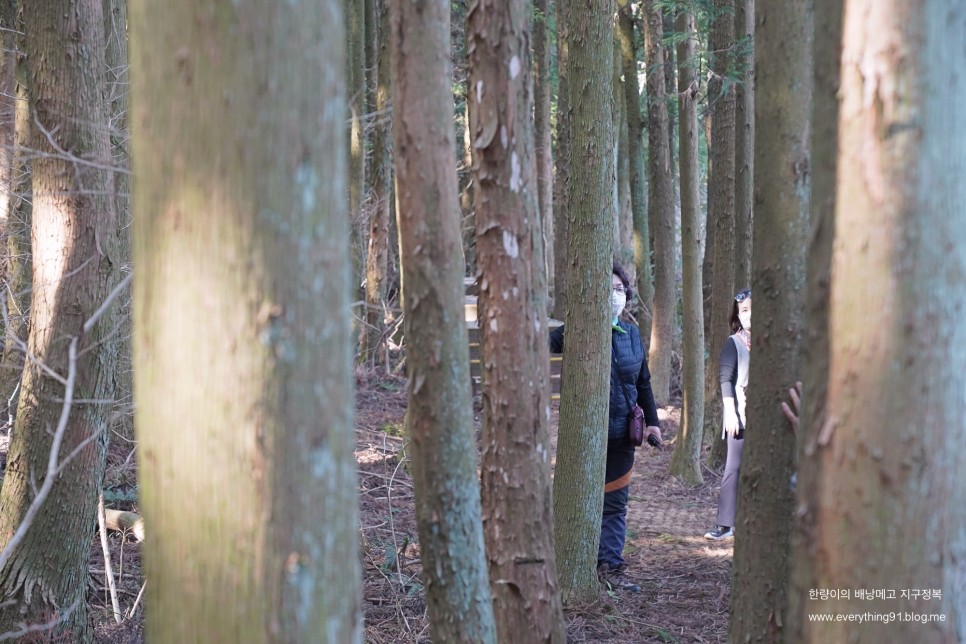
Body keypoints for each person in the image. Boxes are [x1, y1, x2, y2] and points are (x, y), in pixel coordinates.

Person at [550, 261, 662, 592]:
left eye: (619, 290)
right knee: (580, 502)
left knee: (614, 505)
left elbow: (643, 383)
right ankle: (570, 564)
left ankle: (610, 568)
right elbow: (538, 347)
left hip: (622, 438)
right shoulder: (575, 331)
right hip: (583, 439)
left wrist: (653, 424)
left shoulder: (631, 335)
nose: (614, 296)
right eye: (607, 290)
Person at [705, 288, 752, 541]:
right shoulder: (733, 343)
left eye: (753, 310)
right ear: (737, 314)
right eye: (744, 311)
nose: (749, 315)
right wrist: (730, 414)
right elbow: (726, 379)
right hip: (740, 416)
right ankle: (724, 524)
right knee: (733, 467)